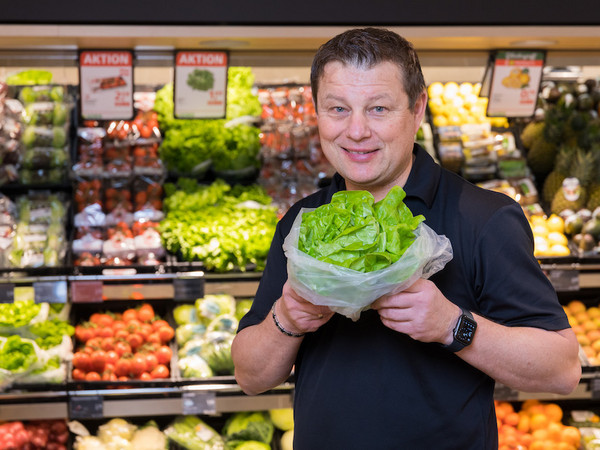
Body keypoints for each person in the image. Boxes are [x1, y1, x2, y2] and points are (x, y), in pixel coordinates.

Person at [231, 27, 581, 449]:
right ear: (317, 113)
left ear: (417, 110)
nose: (356, 131)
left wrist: (453, 325)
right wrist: (285, 318)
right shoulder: (303, 224)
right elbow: (250, 377)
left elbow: (562, 370)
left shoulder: (485, 218)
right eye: (338, 109)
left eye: (378, 108)